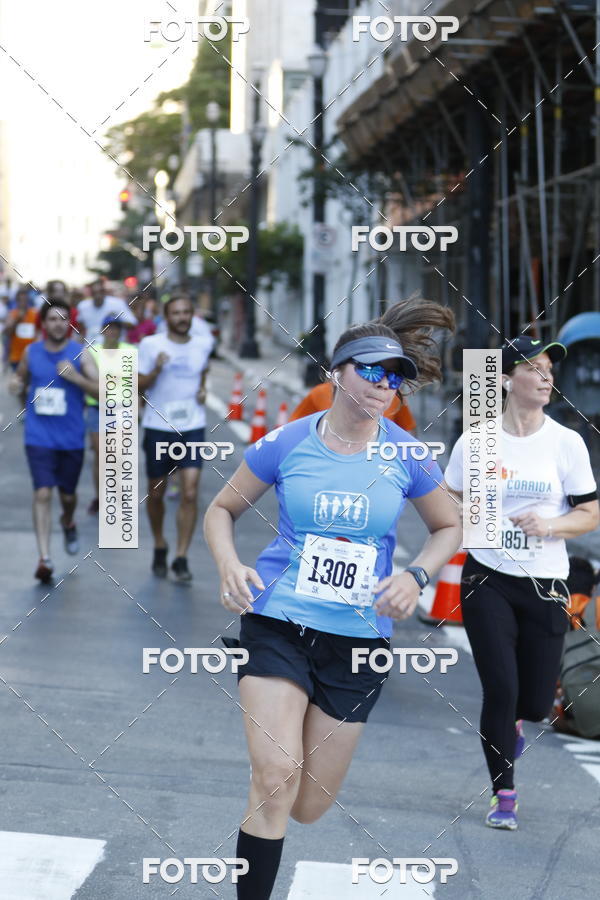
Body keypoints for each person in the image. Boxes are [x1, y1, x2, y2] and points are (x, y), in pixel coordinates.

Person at [203, 297, 461, 900]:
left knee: (309, 804)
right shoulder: (287, 442)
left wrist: (416, 577)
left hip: (360, 642)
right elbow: (222, 509)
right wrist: (229, 564)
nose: (382, 386)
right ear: (336, 372)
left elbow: (450, 525)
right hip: (278, 621)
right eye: (370, 371)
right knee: (274, 780)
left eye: (395, 377)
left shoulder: (405, 453)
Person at [444, 336, 599, 831]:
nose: (547, 376)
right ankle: (503, 794)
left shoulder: (566, 442)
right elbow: (447, 501)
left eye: (550, 368)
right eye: (535, 367)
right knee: (502, 689)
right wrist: (469, 516)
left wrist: (550, 525)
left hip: (546, 580)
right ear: (507, 379)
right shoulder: (477, 440)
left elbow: (590, 512)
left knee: (533, 704)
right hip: (486, 577)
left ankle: (512, 725)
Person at [9, 299, 99, 583]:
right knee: (43, 493)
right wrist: (15, 386)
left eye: (63, 319)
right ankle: (44, 558)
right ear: (44, 324)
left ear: (69, 324)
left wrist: (76, 378)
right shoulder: (31, 352)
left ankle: (68, 521)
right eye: (52, 319)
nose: (58, 324)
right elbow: (19, 380)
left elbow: (102, 391)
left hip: (71, 438)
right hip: (38, 436)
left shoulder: (81, 354)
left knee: (67, 496)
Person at [138, 293, 214, 582]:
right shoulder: (150, 345)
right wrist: (157, 368)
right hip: (158, 426)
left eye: (186, 313)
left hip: (191, 426)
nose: (181, 318)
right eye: (176, 313)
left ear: (192, 316)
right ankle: (160, 543)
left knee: (190, 492)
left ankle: (181, 556)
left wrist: (203, 389)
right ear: (166, 317)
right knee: (156, 492)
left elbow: (203, 370)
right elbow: (138, 384)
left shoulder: (203, 344)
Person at [84, 316, 134, 514]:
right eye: (109, 328)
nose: (113, 332)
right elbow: (89, 383)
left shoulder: (130, 351)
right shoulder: (92, 352)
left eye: (116, 328)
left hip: (122, 409)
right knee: (100, 455)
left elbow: (135, 383)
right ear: (103, 330)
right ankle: (100, 497)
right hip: (98, 408)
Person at [290, 380, 417, 433]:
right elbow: (293, 430)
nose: (383, 382)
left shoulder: (392, 398)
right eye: (367, 369)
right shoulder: (318, 393)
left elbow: (409, 432)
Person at [76, 279, 136, 345]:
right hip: (91, 348)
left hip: (115, 347)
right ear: (91, 293)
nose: (98, 295)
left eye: (100, 292)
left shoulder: (117, 303)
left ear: (104, 292)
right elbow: (80, 327)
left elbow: (133, 323)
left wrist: (115, 320)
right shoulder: (83, 306)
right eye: (95, 292)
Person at [4, 286, 38, 371]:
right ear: (17, 301)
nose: (23, 303)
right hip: (16, 356)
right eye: (20, 300)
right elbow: (7, 333)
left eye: (25, 300)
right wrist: (16, 320)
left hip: (32, 356)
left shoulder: (35, 314)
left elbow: (38, 333)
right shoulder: (12, 314)